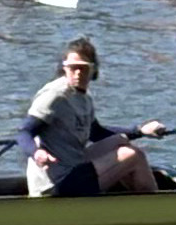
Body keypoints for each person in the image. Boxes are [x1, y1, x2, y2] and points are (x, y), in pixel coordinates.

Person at [19, 39, 167, 196]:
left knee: (120, 141)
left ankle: (136, 198)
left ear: (93, 70)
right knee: (133, 156)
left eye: (83, 68)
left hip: (74, 167)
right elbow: (24, 132)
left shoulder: (84, 97)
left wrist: (140, 131)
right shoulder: (54, 96)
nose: (77, 74)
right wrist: (36, 153)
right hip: (56, 183)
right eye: (72, 68)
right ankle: (154, 206)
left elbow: (96, 133)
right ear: (65, 68)